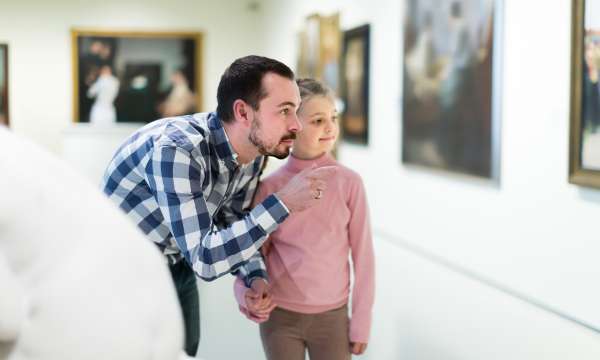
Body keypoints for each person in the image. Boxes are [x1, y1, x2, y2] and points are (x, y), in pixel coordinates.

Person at [100, 55, 336, 357]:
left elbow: (231, 217)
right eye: (285, 111)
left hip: (176, 261)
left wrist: (255, 276)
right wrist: (283, 203)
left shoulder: (255, 149)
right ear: (243, 112)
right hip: (123, 269)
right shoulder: (178, 150)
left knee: (184, 351)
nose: (297, 125)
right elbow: (206, 258)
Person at [233, 78, 375, 360]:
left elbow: (364, 257)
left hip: (332, 317)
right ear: (293, 126)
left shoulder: (350, 183)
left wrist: (361, 322)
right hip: (280, 317)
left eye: (333, 118)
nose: (330, 127)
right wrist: (245, 293)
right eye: (318, 120)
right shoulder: (269, 187)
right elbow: (250, 253)